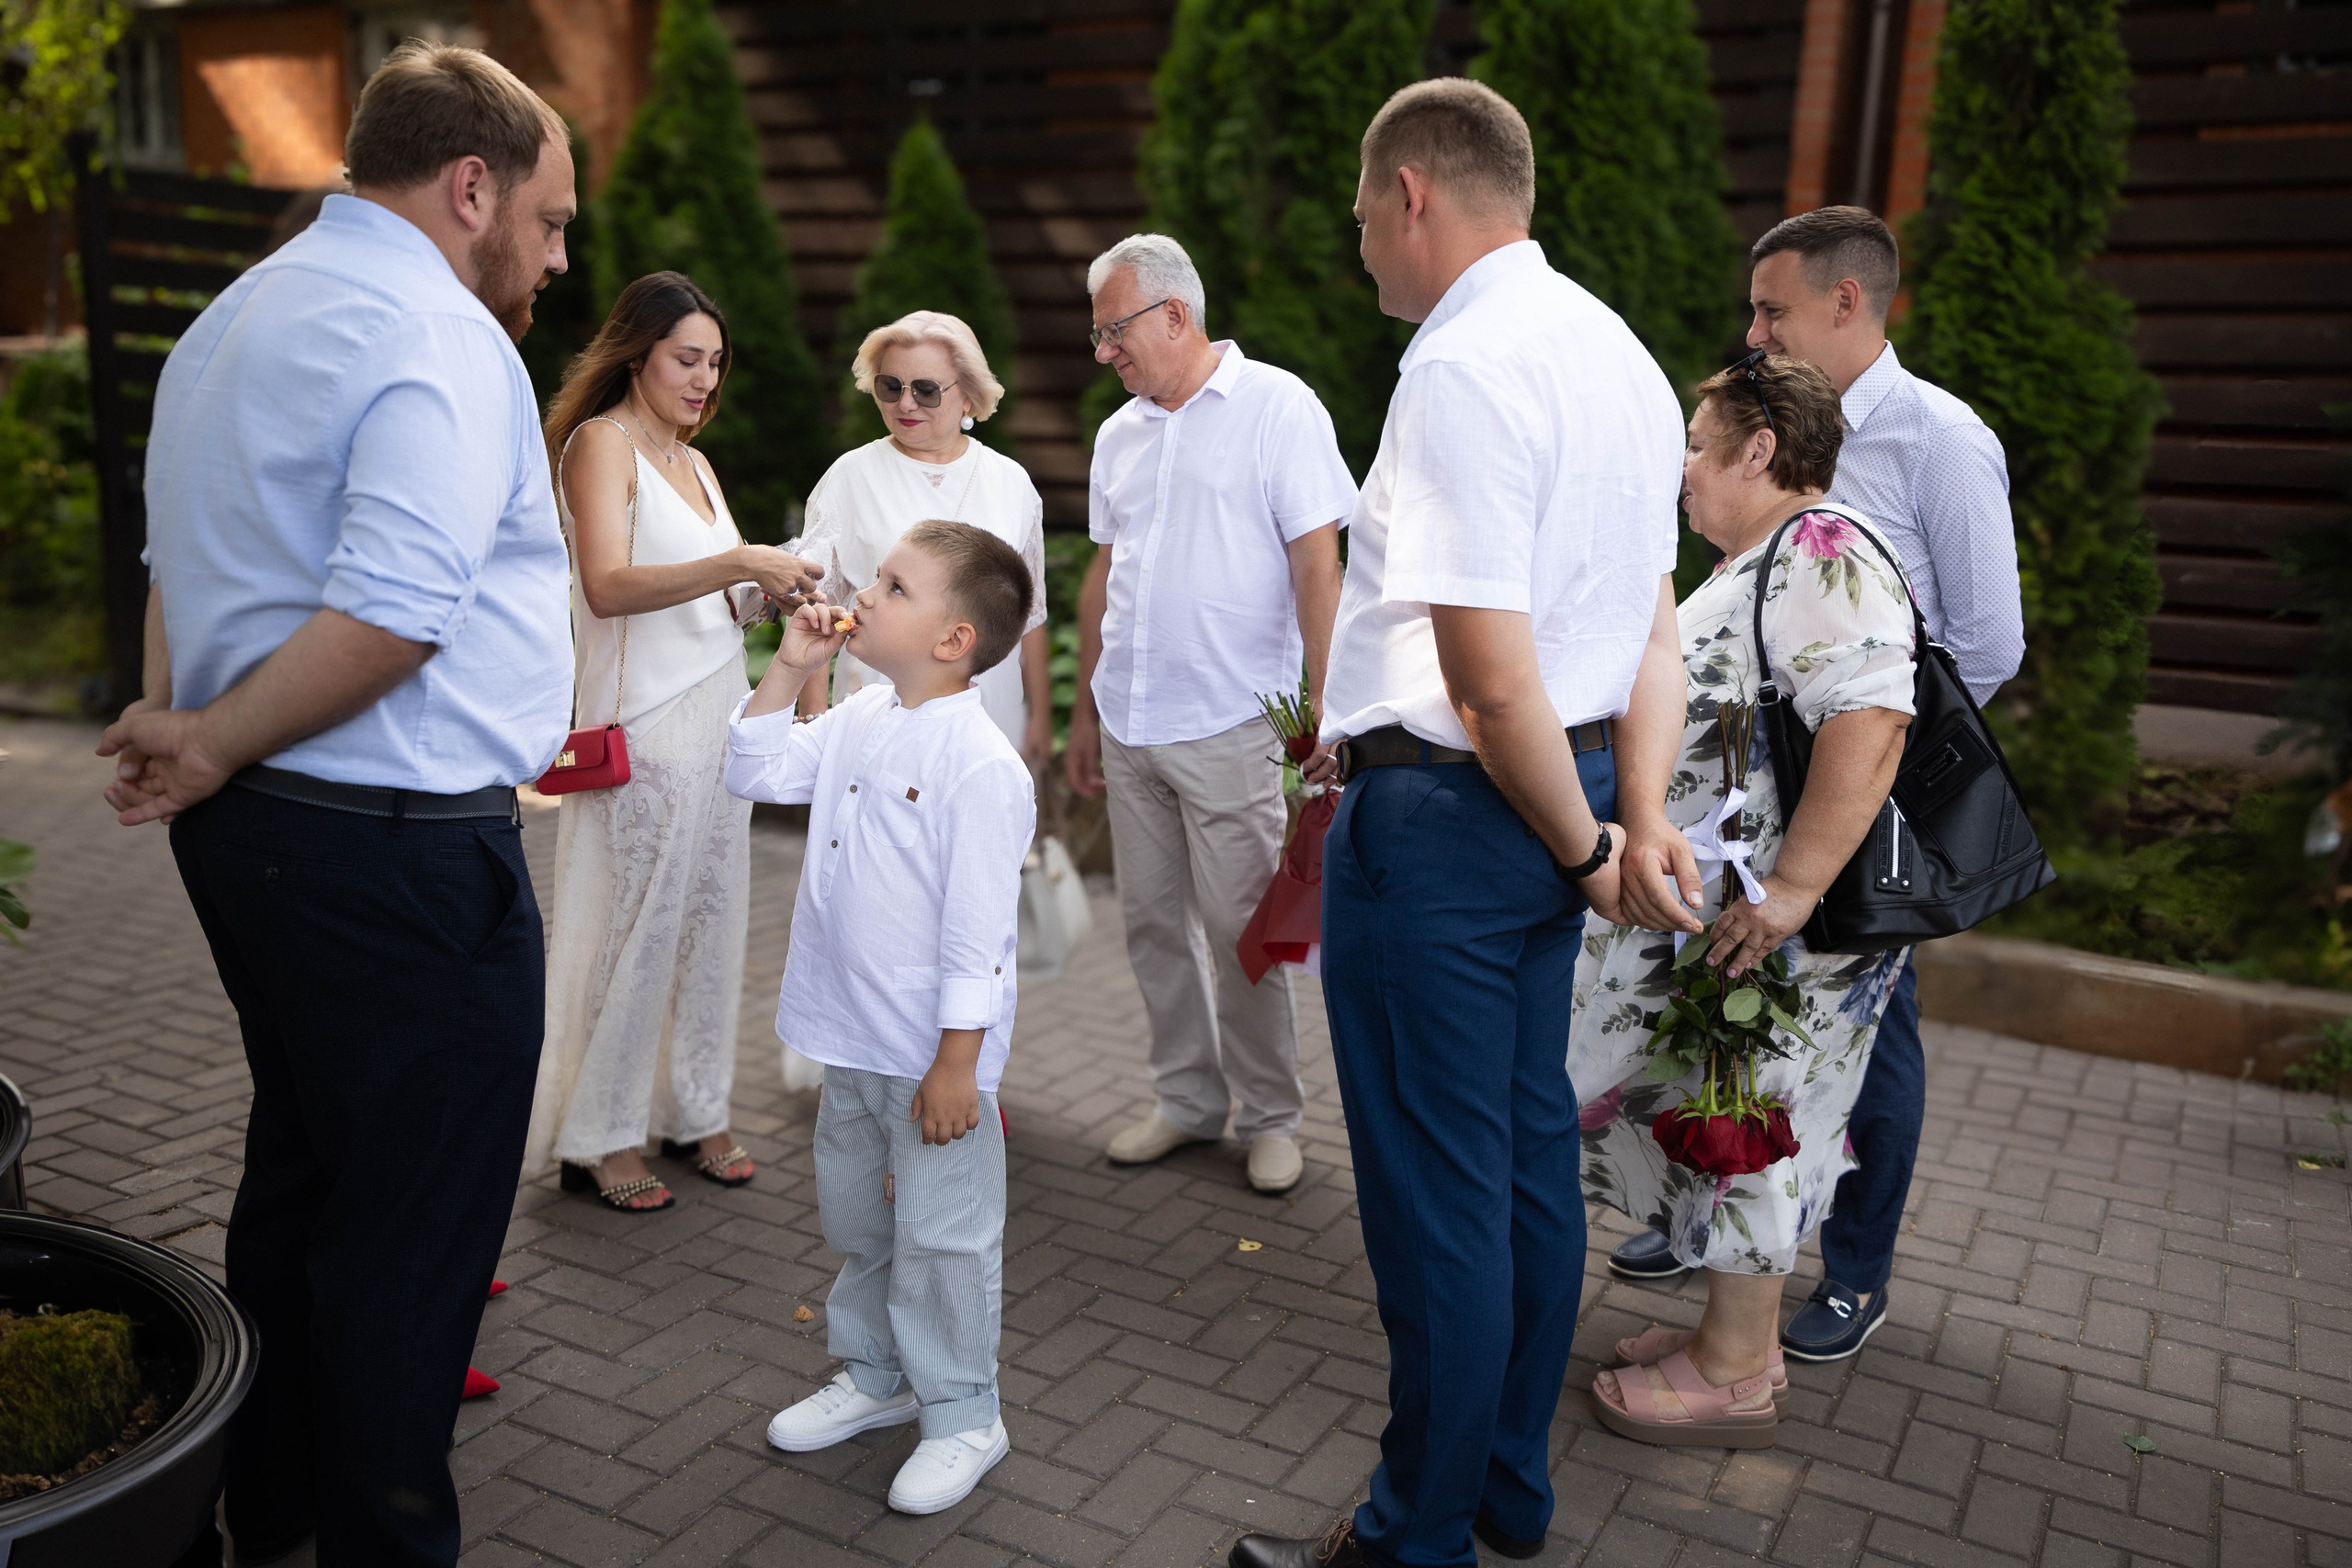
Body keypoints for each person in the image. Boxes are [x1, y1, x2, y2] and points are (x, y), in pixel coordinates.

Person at [97, 43, 575, 1568]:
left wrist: (185, 729)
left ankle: (274, 1502)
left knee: (303, 1170)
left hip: (258, 845)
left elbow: (181, 556)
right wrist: (215, 739)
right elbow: (392, 611)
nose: (559, 258)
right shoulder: (434, 334)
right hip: (397, 857)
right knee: (410, 1241)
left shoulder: (230, 320)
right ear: (473, 184)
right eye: (553, 222)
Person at [1228, 80, 1696, 1568]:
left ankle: (1408, 1536)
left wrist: (1584, 844)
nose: (1362, 242)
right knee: (1516, 1169)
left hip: (1452, 821)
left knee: (1440, 1204)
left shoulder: (1463, 364)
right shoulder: (1617, 353)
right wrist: (1629, 822)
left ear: (1413, 192)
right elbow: (1654, 631)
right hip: (1553, 802)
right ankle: (1505, 1490)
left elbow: (1491, 676)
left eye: (1366, 212)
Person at [1605, 207, 2024, 1369]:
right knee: (1763, 1051)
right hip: (1767, 819)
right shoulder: (1777, 435)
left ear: (1848, 303)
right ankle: (1710, 1240)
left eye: (1771, 310)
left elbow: (1981, 647)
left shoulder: (1940, 443)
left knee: (1855, 1056)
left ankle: (1849, 1275)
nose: (1752, 332)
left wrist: (1853, 768)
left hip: (1847, 815)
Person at [1574, 354, 1917, 1447]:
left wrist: (1794, 891)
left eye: (1693, 439)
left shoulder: (1823, 548)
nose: (1680, 466)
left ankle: (1733, 1375)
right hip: (1741, 921)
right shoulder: (1763, 557)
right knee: (1728, 1105)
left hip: (1781, 933)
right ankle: (1738, 1340)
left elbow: (1870, 720)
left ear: (1757, 450)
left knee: (1759, 1116)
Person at [725, 522, 1035, 1516]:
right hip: (846, 1034)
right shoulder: (859, 717)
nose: (867, 592)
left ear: (953, 639)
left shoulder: (982, 763)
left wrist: (958, 1063)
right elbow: (756, 770)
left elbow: (977, 931)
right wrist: (791, 666)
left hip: (932, 1057)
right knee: (861, 1220)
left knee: (944, 1239)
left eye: (895, 587)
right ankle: (875, 1377)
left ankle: (963, 1413)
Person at [523, 273, 820, 1211]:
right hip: (642, 729)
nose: (703, 380)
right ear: (636, 351)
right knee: (635, 929)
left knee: (710, 923)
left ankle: (695, 1107)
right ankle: (601, 1134)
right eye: (686, 359)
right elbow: (607, 586)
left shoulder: (695, 461)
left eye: (715, 363)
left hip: (718, 716)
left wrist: (764, 593)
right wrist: (737, 560)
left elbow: (708, 605)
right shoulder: (598, 446)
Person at [1067, 233, 1355, 1197]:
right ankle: (1188, 1101)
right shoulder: (1120, 433)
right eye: (1098, 335)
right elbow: (1104, 577)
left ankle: (1272, 1115)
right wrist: (1080, 712)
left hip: (1232, 719)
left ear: (1174, 316)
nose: (1104, 352)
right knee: (1149, 924)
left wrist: (1326, 710)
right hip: (1130, 717)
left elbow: (1320, 565)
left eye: (1114, 332)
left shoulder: (1279, 407)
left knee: (1241, 929)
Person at [787, 310, 1050, 764]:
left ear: (968, 395)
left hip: (989, 718)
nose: (906, 404)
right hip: (877, 711)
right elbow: (815, 607)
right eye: (891, 386)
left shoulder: (1013, 482)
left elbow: (1031, 615)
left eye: (926, 390)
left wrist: (1039, 717)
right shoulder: (850, 476)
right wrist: (815, 718)